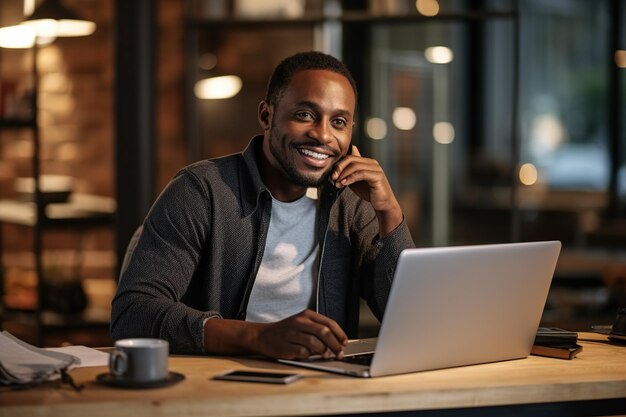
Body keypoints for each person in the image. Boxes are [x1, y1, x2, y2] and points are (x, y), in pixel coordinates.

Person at [111, 51, 415, 359]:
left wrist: (388, 211)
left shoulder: (350, 204)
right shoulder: (202, 190)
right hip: (220, 387)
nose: (323, 135)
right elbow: (134, 314)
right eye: (305, 115)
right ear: (267, 116)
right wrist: (258, 337)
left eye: (338, 121)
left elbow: (412, 323)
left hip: (324, 388)